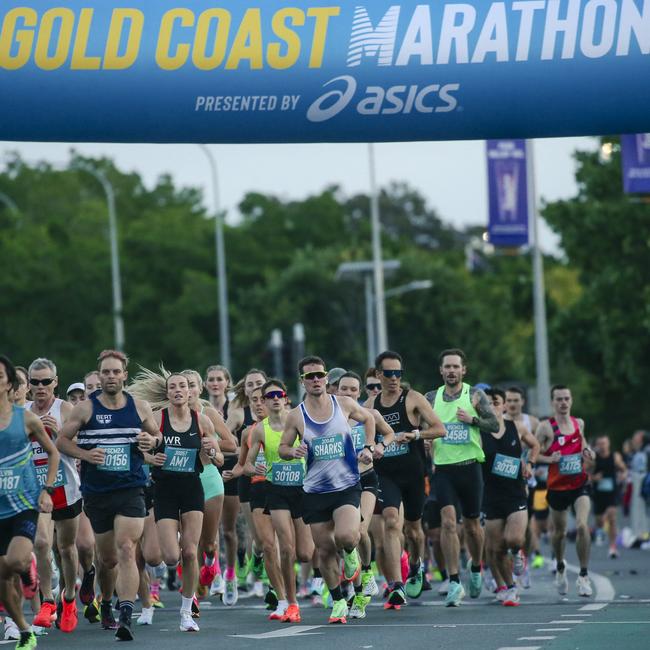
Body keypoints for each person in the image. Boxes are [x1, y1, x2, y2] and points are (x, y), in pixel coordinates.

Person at [56, 350, 161, 640]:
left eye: (116, 372)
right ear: (99, 375)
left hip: (131, 487)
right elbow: (62, 440)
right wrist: (86, 454)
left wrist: (150, 440)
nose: (111, 376)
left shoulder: (139, 407)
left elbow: (156, 437)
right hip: (98, 492)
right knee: (108, 559)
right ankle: (105, 602)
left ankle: (126, 612)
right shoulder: (85, 409)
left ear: (124, 375)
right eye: (106, 372)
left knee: (127, 547)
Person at [279, 356, 376, 624]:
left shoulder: (343, 404)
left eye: (319, 375)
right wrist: (292, 451)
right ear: (302, 381)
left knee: (346, 535)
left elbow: (369, 420)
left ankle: (351, 551)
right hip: (315, 490)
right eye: (309, 377)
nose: (315, 380)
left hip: (346, 484)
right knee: (323, 550)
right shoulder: (296, 415)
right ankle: (339, 601)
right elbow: (283, 448)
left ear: (326, 378)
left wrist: (368, 446)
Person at [368, 351, 446, 608]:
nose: (394, 379)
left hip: (413, 474)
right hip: (385, 474)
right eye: (389, 373)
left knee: (414, 530)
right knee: (391, 522)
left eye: (398, 373)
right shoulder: (370, 407)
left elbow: (439, 428)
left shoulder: (413, 398)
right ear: (378, 375)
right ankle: (397, 585)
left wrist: (415, 435)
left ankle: (415, 565)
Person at [147, 373, 222, 632]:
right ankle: (173, 559)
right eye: (173, 387)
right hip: (165, 491)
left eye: (183, 386)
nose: (179, 390)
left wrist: (213, 450)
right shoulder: (158, 419)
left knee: (190, 551)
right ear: (167, 393)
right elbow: (141, 449)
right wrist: (150, 458)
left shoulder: (201, 420)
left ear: (190, 392)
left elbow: (219, 457)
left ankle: (186, 611)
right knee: (170, 557)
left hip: (192, 489)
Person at [428, 349, 499, 607]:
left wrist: (472, 419)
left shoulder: (475, 395)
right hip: (444, 470)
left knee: (471, 526)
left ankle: (477, 567)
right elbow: (422, 426)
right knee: (448, 523)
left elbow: (495, 425)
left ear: (463, 370)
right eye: (447, 367)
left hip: (470, 468)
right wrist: (426, 440)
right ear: (441, 370)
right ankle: (455, 580)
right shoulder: (431, 397)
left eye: (456, 367)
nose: (451, 371)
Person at [0, 354, 60, 650]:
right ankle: (24, 629)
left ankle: (28, 569)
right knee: (2, 579)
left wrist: (46, 490)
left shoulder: (26, 418)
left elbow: (54, 453)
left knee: (15, 561)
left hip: (23, 503)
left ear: (10, 383)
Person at [244, 380, 314, 622]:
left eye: (279, 394)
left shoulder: (298, 421)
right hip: (275, 491)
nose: (275, 399)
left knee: (305, 553)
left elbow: (316, 445)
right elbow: (247, 464)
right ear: (263, 401)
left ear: (286, 398)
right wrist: (254, 468)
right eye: (270, 395)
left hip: (302, 490)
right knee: (284, 547)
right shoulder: (260, 430)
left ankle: (291, 596)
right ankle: (288, 602)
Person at [26, 358, 83, 633]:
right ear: (27, 384)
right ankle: (48, 600)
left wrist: (58, 434)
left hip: (67, 488)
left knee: (67, 550)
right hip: (37, 490)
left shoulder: (66, 409)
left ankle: (69, 598)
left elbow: (80, 447)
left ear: (55, 382)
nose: (40, 387)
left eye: (46, 381)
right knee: (41, 542)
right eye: (35, 381)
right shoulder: (22, 412)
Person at [337, 371, 395, 617]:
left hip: (367, 477)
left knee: (361, 531)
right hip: (340, 483)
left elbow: (390, 434)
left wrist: (376, 447)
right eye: (344, 389)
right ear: (335, 391)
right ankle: (355, 588)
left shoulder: (369, 415)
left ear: (359, 392)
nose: (348, 393)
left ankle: (368, 570)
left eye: (353, 389)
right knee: (345, 540)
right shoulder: (330, 418)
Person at [536, 385, 596, 597]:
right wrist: (549, 458)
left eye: (566, 399)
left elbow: (584, 446)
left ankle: (583, 576)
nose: (563, 403)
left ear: (571, 401)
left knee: (581, 526)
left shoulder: (579, 423)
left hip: (580, 484)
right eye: (559, 399)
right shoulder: (545, 428)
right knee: (559, 532)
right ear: (553, 402)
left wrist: (589, 452)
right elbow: (532, 455)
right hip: (557, 488)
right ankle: (560, 566)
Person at [482, 388, 540, 606]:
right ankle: (510, 587)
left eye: (495, 402)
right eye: (486, 403)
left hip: (515, 492)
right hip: (490, 495)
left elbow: (535, 445)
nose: (491, 406)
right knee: (496, 548)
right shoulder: (478, 432)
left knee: (514, 539)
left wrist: (531, 463)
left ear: (504, 405)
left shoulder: (517, 427)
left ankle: (518, 552)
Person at [223, 369, 267, 605]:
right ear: (245, 389)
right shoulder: (239, 413)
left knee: (277, 537)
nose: (255, 388)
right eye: (250, 385)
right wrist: (241, 456)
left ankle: (271, 587)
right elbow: (225, 439)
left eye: (259, 383)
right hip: (248, 480)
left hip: (277, 480)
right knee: (259, 538)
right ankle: (257, 561)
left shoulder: (281, 412)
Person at [590, 435, 627, 558]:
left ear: (608, 444)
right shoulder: (593, 458)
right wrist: (594, 478)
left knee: (612, 517)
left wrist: (623, 475)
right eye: (600, 443)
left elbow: (624, 469)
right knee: (599, 522)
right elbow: (584, 474)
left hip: (612, 492)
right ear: (597, 445)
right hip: (598, 493)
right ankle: (601, 529)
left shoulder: (615, 457)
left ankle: (612, 547)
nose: (602, 446)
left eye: (604, 443)